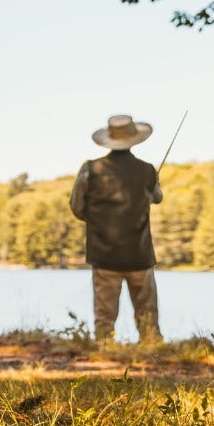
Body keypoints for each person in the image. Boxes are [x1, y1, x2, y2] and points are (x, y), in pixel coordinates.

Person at [69, 114, 164, 344]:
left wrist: (98, 221)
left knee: (104, 318)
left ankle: (105, 348)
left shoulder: (90, 169)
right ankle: (151, 350)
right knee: (148, 318)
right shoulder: (147, 170)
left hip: (104, 254)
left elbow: (77, 207)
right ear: (134, 139)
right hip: (139, 254)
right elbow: (157, 197)